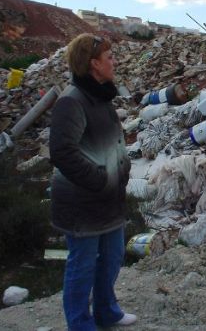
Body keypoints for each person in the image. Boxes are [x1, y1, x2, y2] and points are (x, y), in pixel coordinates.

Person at [49, 33, 137, 330]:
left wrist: (123, 168)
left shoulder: (101, 97)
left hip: (109, 200)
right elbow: (63, 152)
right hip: (82, 203)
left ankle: (106, 311)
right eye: (109, 57)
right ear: (93, 64)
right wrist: (100, 180)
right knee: (82, 265)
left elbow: (112, 141)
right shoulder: (71, 102)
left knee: (111, 258)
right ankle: (80, 323)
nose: (115, 62)